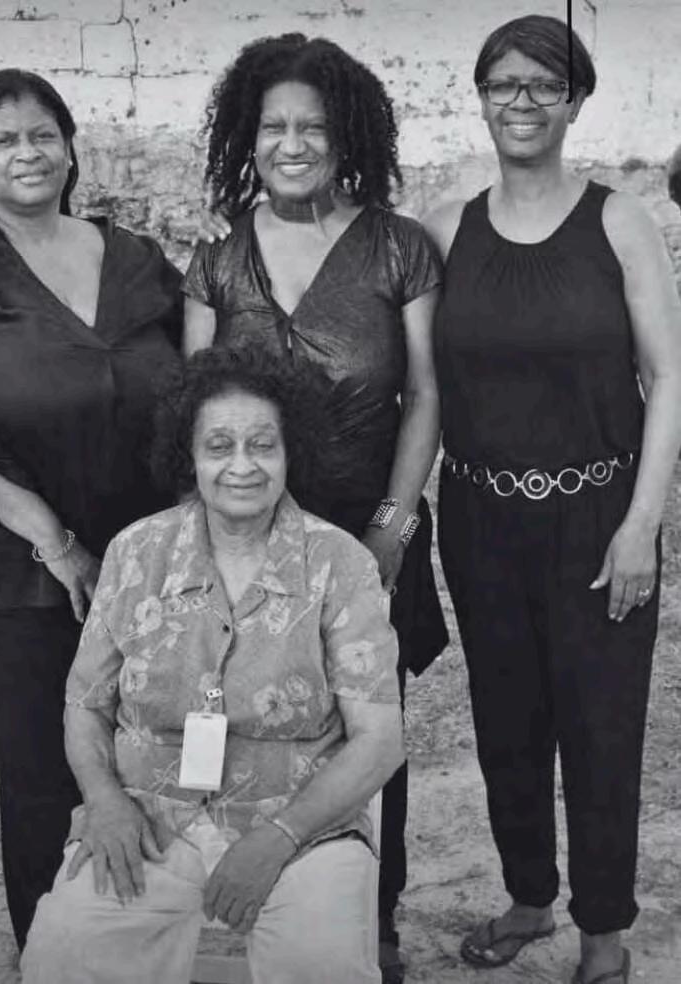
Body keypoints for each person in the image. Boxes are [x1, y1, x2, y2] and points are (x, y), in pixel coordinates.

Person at [183, 34, 448, 980]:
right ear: (246, 138)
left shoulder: (399, 247)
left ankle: (375, 922)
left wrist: (392, 528)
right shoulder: (218, 258)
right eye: (273, 127)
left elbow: (426, 394)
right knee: (246, 723)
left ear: (350, 139)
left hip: (370, 532)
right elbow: (196, 409)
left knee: (371, 732)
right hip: (245, 538)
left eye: (315, 128)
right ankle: (250, 907)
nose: (292, 144)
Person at [424, 15, 681, 984]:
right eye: (504, 84)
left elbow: (669, 376)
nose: (522, 101)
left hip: (600, 517)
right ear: (482, 98)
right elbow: (419, 382)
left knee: (602, 729)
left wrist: (643, 523)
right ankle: (530, 896)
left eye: (545, 84)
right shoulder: (443, 230)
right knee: (507, 723)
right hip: (479, 517)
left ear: (576, 102)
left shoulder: (619, 222)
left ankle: (605, 934)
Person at [19, 344, 404, 984]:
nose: (242, 465)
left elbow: (379, 741)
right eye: (219, 446)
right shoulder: (135, 553)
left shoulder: (340, 564)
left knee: (322, 963)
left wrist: (279, 837)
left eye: (263, 445)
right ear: (189, 457)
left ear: (291, 452)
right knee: (64, 950)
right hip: (146, 819)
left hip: (302, 828)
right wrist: (105, 801)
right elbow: (84, 707)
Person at [0, 69, 183, 949]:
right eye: (4, 140)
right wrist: (58, 543)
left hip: (140, 555)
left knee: (144, 757)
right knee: (43, 774)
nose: (27, 154)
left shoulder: (133, 255)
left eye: (43, 135)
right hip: (15, 566)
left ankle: (138, 944)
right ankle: (51, 952)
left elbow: (199, 365)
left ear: (71, 148)